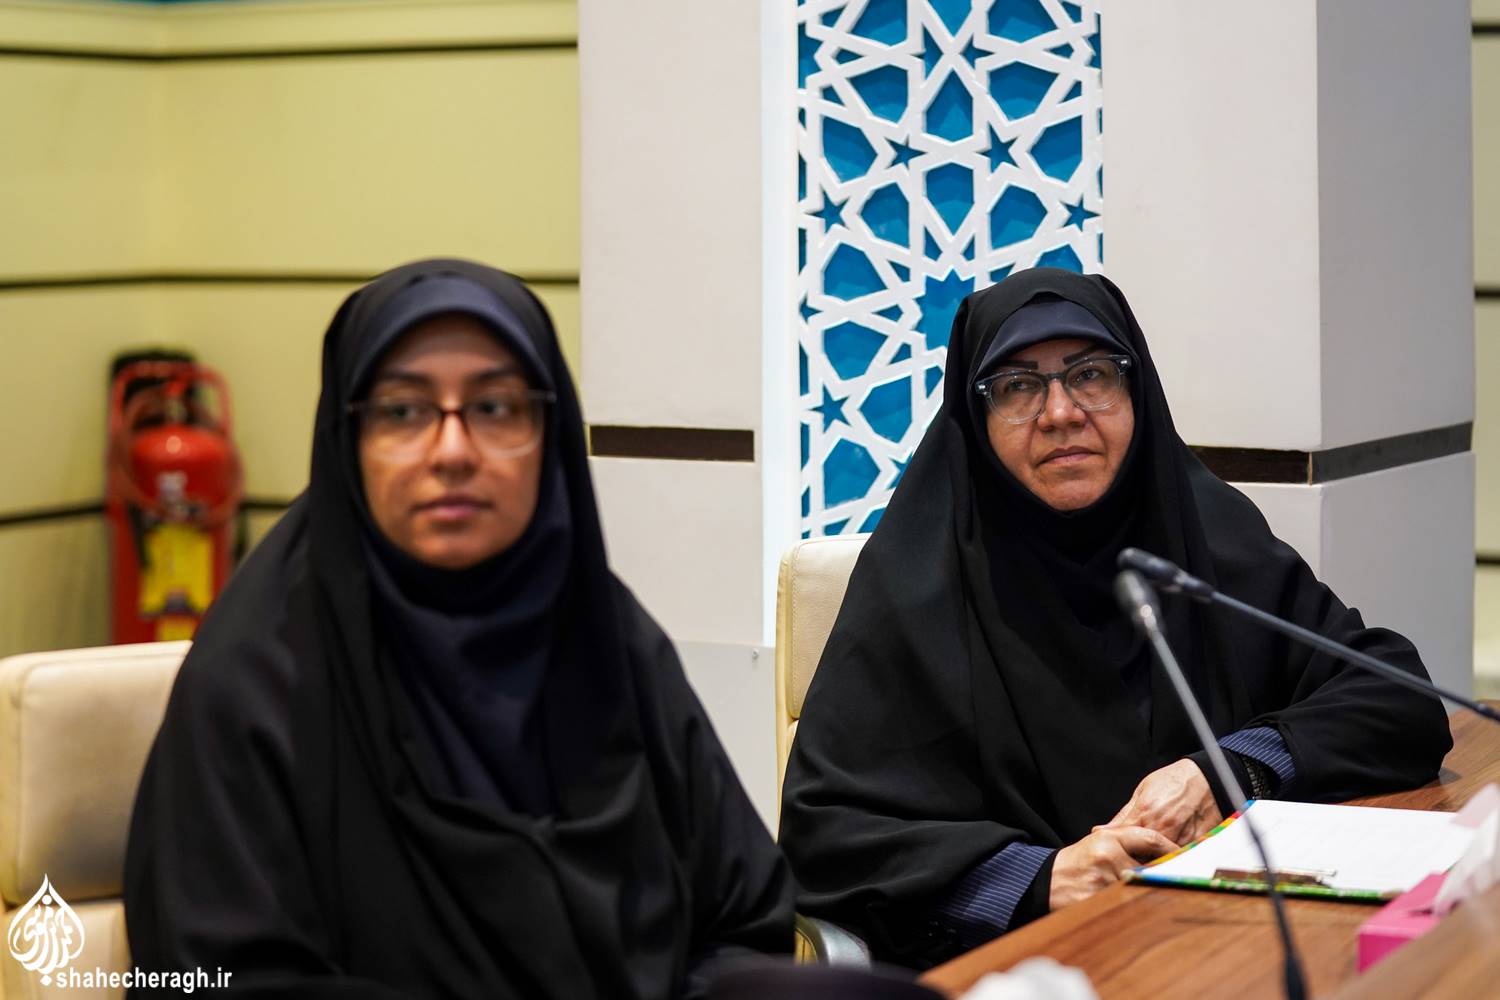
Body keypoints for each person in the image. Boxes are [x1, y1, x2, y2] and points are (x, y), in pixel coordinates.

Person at [125, 259, 794, 998]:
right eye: (402, 412)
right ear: (348, 436)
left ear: (551, 433)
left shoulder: (608, 638)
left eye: (496, 407)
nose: (451, 452)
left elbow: (743, 916)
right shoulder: (255, 679)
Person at [777, 268, 1453, 968]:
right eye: (1017, 386)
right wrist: (1035, 879)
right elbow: (824, 836)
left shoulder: (1202, 542)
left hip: (1223, 946)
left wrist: (1224, 771)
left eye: (1091, 375)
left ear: (1137, 392)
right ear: (974, 419)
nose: (1061, 412)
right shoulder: (915, 587)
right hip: (1018, 967)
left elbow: (1395, 694)